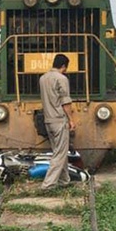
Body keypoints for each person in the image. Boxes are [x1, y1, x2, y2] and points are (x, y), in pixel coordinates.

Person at [39, 54, 76, 190]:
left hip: (48, 120)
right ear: (64, 66)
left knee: (60, 151)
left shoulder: (43, 78)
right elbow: (65, 102)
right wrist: (71, 120)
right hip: (59, 120)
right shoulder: (61, 78)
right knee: (59, 154)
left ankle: (64, 180)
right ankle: (47, 185)